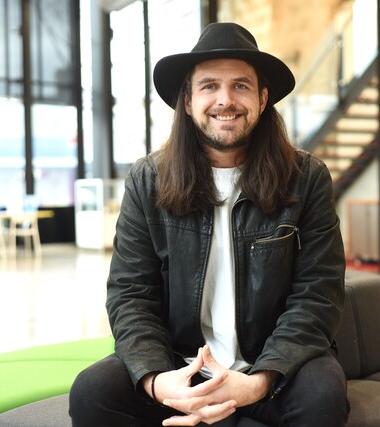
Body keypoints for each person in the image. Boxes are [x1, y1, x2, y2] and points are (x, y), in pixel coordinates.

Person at [69, 22, 348, 427]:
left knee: (323, 394)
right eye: (209, 86)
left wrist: (258, 381)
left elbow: (318, 294)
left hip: (272, 367)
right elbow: (131, 293)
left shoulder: (305, 179)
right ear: (187, 100)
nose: (225, 100)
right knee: (92, 391)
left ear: (262, 98)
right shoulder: (148, 180)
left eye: (240, 86)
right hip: (178, 364)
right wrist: (157, 381)